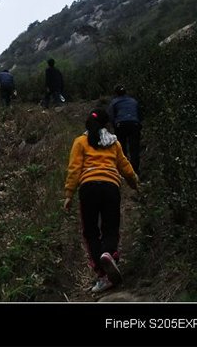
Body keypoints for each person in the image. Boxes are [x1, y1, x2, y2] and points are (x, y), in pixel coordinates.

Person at [64, 109, 139, 293]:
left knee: (90, 232)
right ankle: (109, 253)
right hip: (111, 187)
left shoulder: (80, 142)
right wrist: (135, 184)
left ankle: (102, 273)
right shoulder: (114, 143)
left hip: (88, 188)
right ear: (106, 124)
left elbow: (74, 169)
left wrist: (68, 194)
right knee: (111, 227)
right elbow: (125, 167)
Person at [107, 85, 142, 176]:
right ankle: (135, 170)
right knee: (134, 148)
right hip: (134, 124)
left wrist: (114, 125)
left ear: (115, 93)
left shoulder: (114, 102)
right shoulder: (133, 101)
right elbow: (139, 113)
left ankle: (124, 171)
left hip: (120, 125)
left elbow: (111, 116)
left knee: (121, 149)